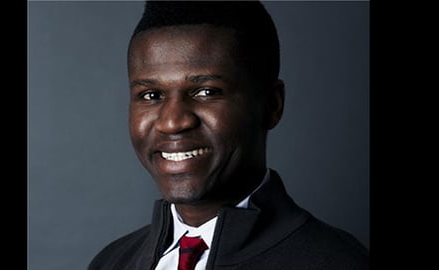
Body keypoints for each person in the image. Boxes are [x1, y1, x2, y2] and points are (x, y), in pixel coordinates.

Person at [89, 1, 369, 269]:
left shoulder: (338, 262)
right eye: (151, 95)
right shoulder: (112, 262)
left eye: (207, 92)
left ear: (272, 105)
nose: (173, 121)